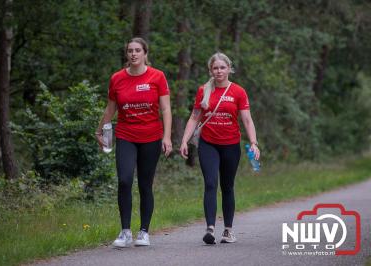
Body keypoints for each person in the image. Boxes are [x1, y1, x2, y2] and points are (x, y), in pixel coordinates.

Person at [96, 37, 172, 247]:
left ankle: (144, 232)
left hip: (151, 136)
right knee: (124, 180)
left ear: (145, 53)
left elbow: (165, 108)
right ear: (127, 54)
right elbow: (111, 108)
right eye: (130, 50)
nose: (134, 54)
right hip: (126, 135)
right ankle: (125, 231)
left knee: (145, 184)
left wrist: (166, 136)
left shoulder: (157, 76)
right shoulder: (117, 78)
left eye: (138, 50)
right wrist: (100, 130)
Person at [180, 52, 260, 245]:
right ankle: (210, 228)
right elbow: (194, 117)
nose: (219, 71)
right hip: (208, 143)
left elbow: (247, 120)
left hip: (231, 145)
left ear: (229, 69)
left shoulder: (238, 92)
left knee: (227, 187)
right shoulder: (203, 91)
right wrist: (184, 141)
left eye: (222, 67)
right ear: (211, 70)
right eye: (215, 68)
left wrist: (254, 143)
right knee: (210, 183)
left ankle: (228, 230)